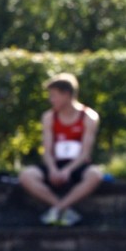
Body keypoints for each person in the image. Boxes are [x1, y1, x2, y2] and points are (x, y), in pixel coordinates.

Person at [18, 73, 103, 226]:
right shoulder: (49, 117)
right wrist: (52, 169)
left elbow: (85, 152)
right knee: (26, 175)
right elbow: (48, 150)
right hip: (56, 163)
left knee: (95, 175)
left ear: (67, 95)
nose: (51, 100)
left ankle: (58, 208)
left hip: (77, 164)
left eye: (54, 96)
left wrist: (68, 170)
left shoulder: (89, 117)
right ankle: (62, 208)